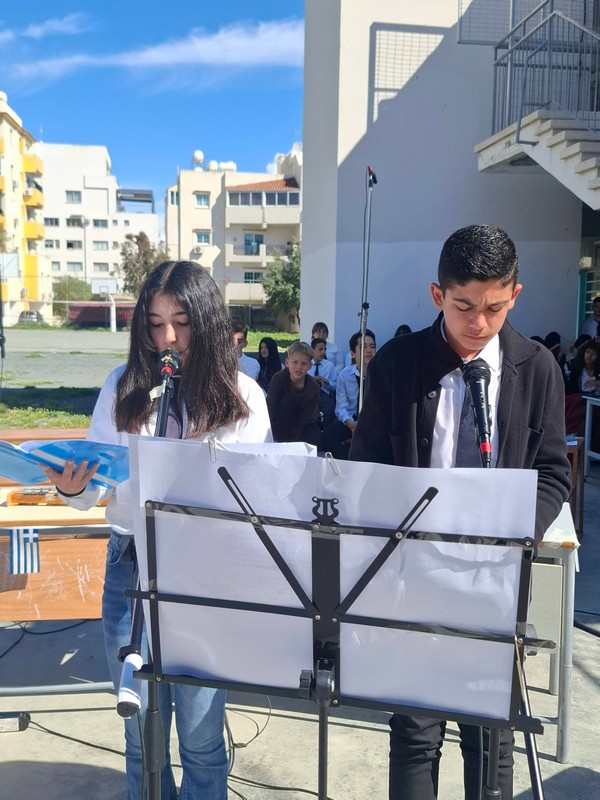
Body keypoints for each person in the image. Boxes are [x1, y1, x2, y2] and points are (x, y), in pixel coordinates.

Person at [349, 225, 571, 800]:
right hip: (413, 582)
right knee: (415, 735)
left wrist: (517, 532)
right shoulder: (397, 364)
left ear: (515, 295)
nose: (479, 324)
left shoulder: (537, 368)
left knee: (491, 740)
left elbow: (553, 472)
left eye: (495, 308)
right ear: (437, 295)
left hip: (495, 584)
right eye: (463, 307)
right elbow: (365, 467)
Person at [44, 260, 272, 800]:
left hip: (205, 576)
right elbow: (97, 488)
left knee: (201, 736)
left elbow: (258, 500)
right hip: (131, 566)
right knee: (140, 735)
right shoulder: (121, 387)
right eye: (155, 323)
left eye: (182, 323)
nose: (168, 338)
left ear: (208, 324)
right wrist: (74, 489)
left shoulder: (244, 396)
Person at [321, 329, 376, 459]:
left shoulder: (382, 374)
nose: (369, 350)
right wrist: (351, 424)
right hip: (352, 419)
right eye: (363, 347)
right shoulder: (345, 375)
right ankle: (349, 462)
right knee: (327, 437)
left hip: (374, 421)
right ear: (352, 353)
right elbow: (341, 406)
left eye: (372, 346)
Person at [267, 341, 320, 446]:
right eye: (295, 362)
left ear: (310, 366)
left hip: (303, 426)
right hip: (281, 424)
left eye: (303, 363)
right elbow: (271, 410)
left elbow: (309, 417)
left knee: (314, 431)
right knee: (288, 402)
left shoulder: (313, 385)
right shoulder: (278, 379)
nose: (299, 367)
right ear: (287, 362)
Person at [308, 336, 337, 427]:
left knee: (328, 408)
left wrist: (326, 381)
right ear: (312, 350)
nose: (323, 352)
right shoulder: (307, 364)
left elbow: (336, 386)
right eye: (320, 349)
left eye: (325, 349)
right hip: (309, 395)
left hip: (325, 396)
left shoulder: (329, 365)